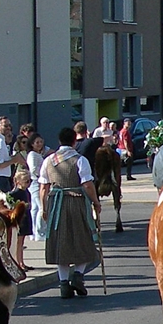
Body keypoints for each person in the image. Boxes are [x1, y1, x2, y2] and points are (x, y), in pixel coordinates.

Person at [39, 125, 101, 300]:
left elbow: (43, 187)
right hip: (76, 202)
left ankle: (64, 284)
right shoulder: (80, 160)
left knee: (61, 244)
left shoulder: (48, 160)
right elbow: (87, 184)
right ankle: (78, 277)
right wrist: (95, 202)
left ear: (59, 141)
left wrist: (44, 208)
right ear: (74, 141)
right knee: (83, 240)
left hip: (56, 204)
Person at [6, 166, 33, 271]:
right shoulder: (15, 193)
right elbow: (9, 203)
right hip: (19, 219)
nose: (29, 183)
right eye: (26, 181)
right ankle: (18, 262)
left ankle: (21, 262)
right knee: (18, 241)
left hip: (26, 217)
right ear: (18, 182)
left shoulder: (26, 192)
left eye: (30, 181)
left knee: (21, 242)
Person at [0, 116, 24, 193]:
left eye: (10, 126)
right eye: (5, 126)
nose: (9, 128)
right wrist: (14, 160)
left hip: (1, 179)